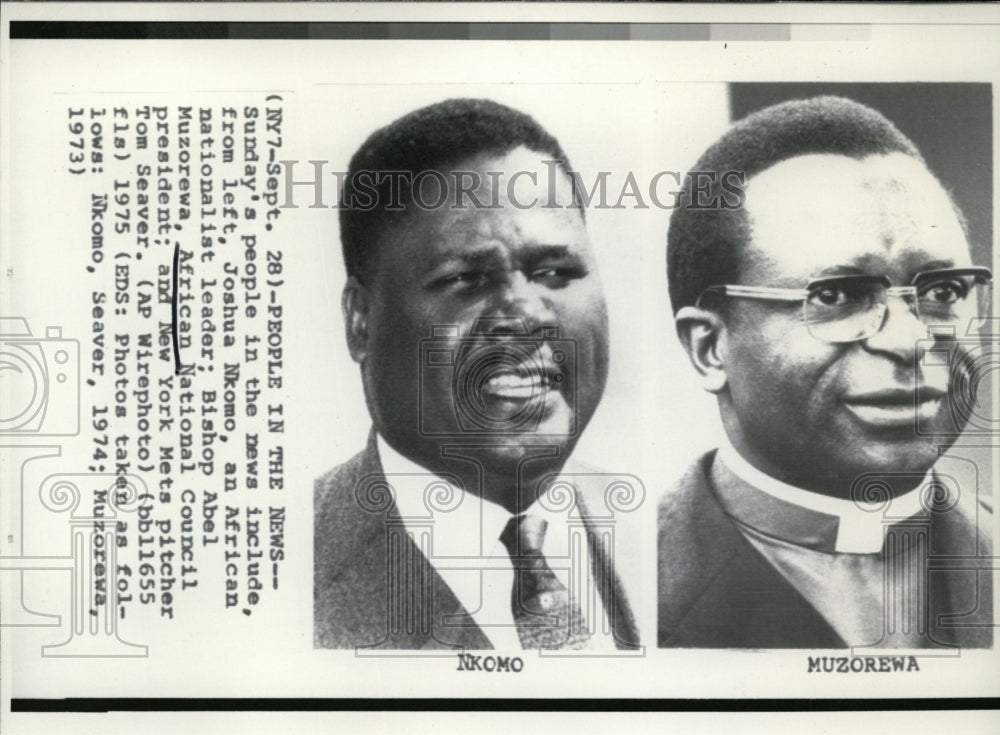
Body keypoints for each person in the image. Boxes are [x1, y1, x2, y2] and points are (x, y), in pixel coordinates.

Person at [658, 95, 993, 649]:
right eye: (837, 296)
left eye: (941, 292)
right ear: (710, 347)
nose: (909, 340)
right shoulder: (623, 590)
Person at [315, 98, 639, 651]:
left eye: (556, 272)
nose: (528, 313)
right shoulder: (280, 581)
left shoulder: (668, 540)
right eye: (467, 278)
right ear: (361, 321)